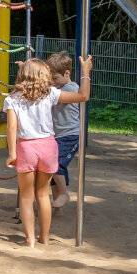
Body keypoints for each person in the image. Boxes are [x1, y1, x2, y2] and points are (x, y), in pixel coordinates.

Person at [5, 55, 93, 246]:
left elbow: (12, 127)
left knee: (27, 198)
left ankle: (30, 240)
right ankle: (44, 238)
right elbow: (83, 96)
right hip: (48, 146)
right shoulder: (51, 93)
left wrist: (12, 152)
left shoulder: (12, 99)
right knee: (43, 194)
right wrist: (85, 73)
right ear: (44, 76)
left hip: (26, 147)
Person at [44, 52, 84, 210]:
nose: (52, 82)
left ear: (67, 73)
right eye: (50, 79)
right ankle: (58, 200)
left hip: (71, 135)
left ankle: (64, 193)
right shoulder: (56, 88)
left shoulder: (71, 88)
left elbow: (53, 96)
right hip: (57, 135)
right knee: (52, 168)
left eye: (55, 78)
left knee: (57, 164)